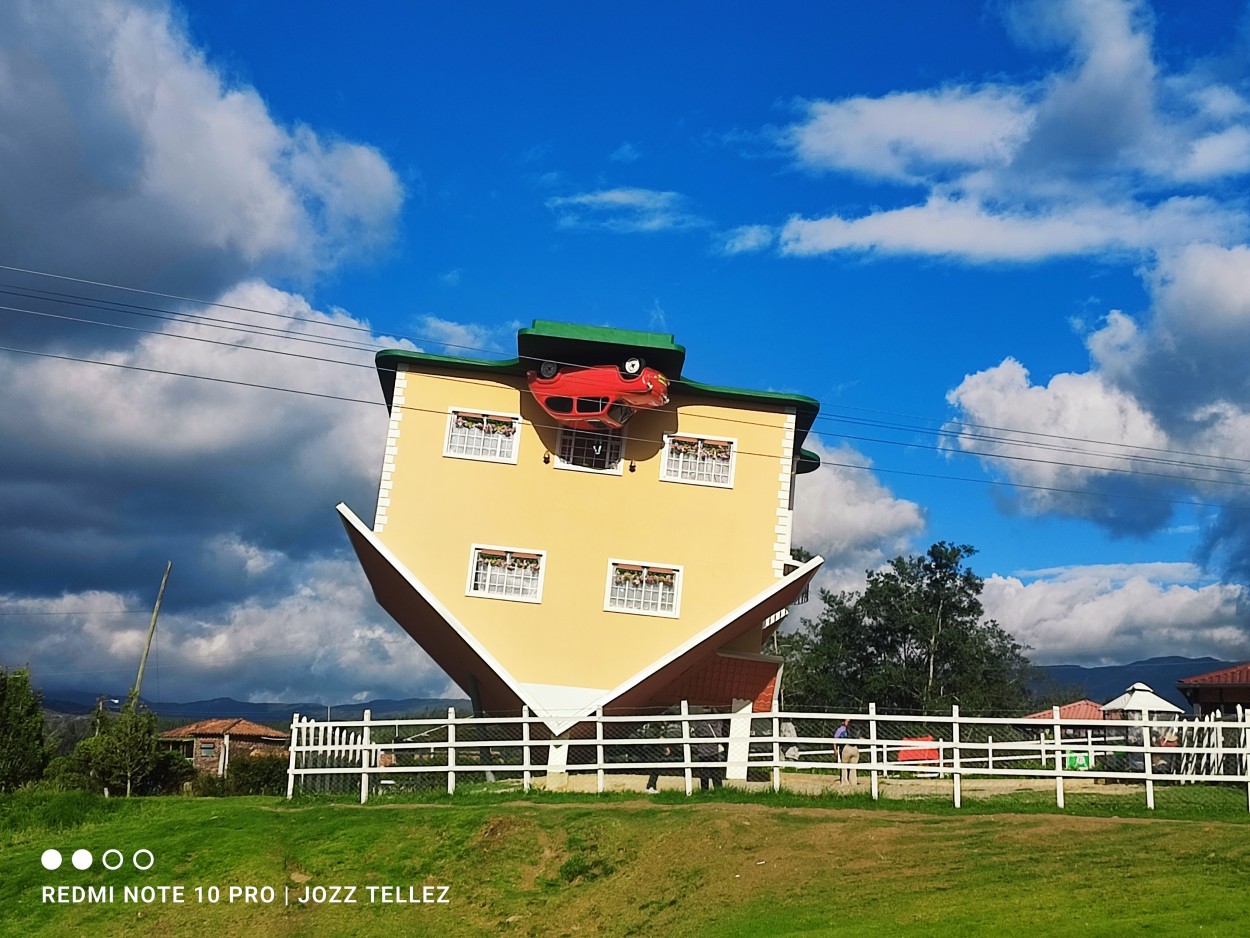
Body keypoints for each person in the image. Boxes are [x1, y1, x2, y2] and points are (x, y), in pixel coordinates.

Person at [693, 716, 725, 790]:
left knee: (704, 771)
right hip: (714, 749)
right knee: (716, 770)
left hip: (703, 749)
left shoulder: (701, 724)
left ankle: (704, 789)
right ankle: (718, 788)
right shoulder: (718, 723)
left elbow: (697, 733)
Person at [645, 722, 678, 793]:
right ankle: (650, 786)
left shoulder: (661, 726)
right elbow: (650, 735)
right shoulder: (656, 725)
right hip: (652, 750)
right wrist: (660, 738)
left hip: (656, 749)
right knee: (655, 768)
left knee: (656, 769)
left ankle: (652, 786)